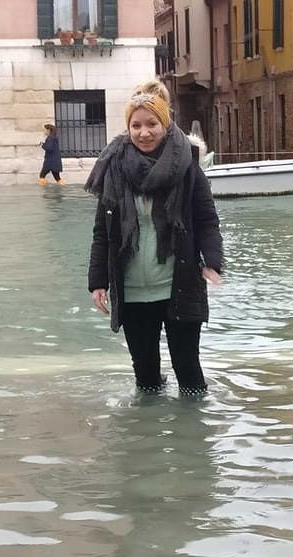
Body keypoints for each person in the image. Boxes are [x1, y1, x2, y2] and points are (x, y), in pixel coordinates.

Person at [84, 80, 224, 396]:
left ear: (165, 124)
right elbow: (101, 232)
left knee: (189, 377)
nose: (144, 132)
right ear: (128, 127)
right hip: (131, 291)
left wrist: (212, 261)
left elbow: (207, 220)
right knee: (145, 380)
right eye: (136, 125)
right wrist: (97, 282)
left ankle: (193, 440)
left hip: (178, 284)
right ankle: (143, 440)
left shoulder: (188, 167)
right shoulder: (114, 169)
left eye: (152, 124)